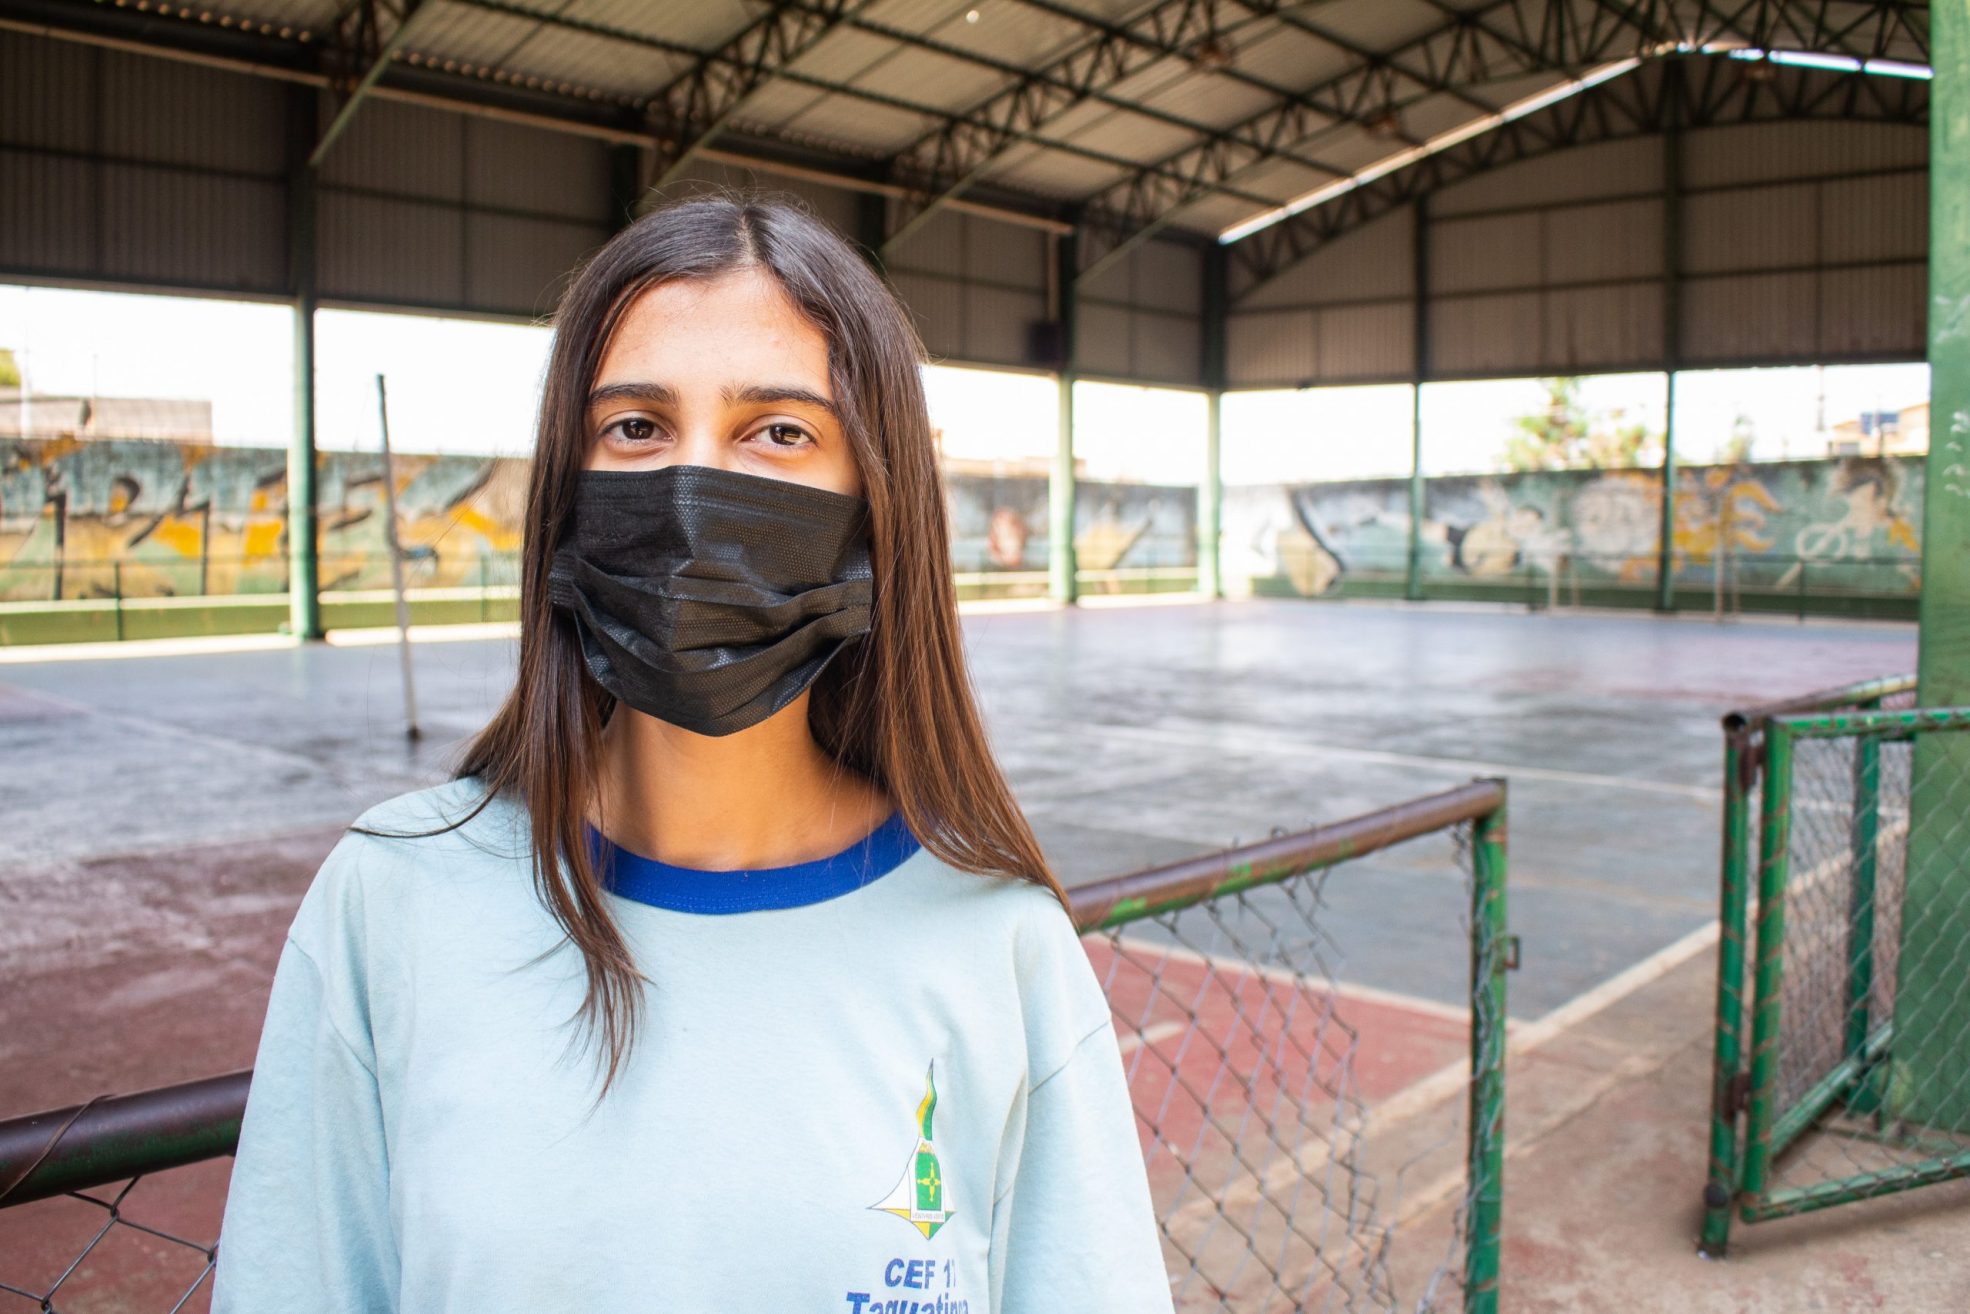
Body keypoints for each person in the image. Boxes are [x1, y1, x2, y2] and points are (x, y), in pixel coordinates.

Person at [211, 192, 1175, 1313]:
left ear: (877, 501)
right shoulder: (389, 900)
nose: (693, 493)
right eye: (636, 426)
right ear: (567, 492)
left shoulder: (1001, 949)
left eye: (779, 431)